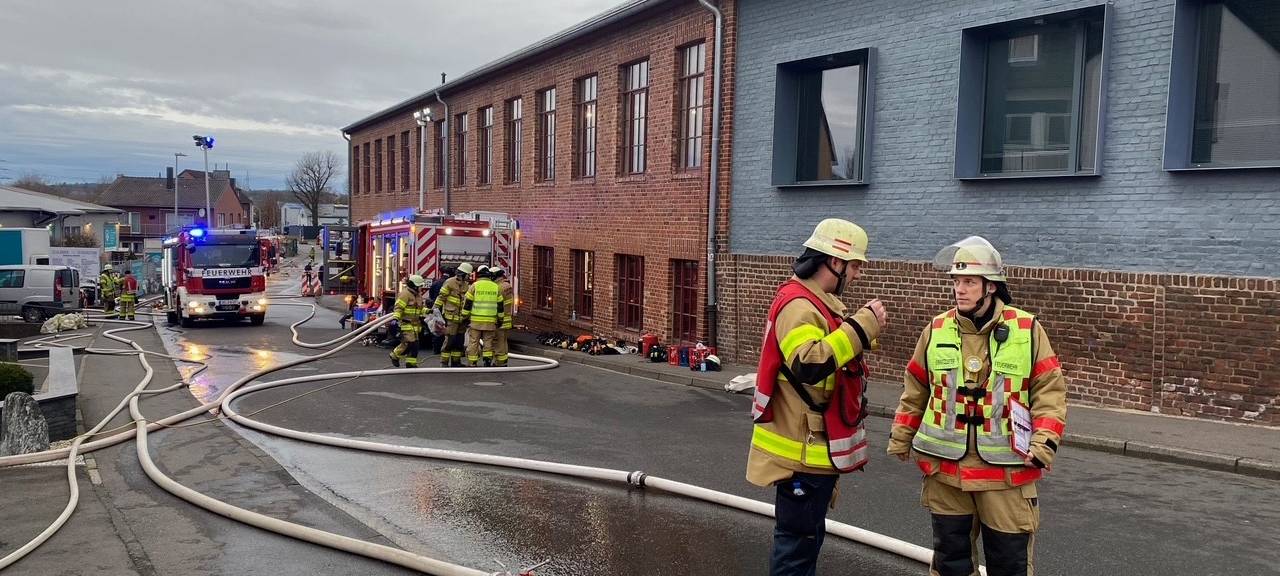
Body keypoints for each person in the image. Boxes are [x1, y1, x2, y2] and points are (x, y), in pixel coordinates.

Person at [887, 236, 1066, 576]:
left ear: (991, 287)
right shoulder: (936, 329)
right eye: (956, 281)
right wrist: (901, 435)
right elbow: (916, 387)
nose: (960, 289)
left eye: (969, 281)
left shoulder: (1026, 329)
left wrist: (1043, 443)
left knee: (1009, 565)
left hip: (1006, 477)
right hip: (946, 476)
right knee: (950, 564)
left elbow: (1050, 393)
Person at [746, 218, 887, 576]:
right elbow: (809, 364)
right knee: (796, 550)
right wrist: (862, 326)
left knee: (804, 543)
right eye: (855, 265)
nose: (857, 274)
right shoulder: (799, 305)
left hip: (811, 453)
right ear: (835, 262)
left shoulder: (816, 303)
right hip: (801, 454)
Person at [433, 262, 473, 367]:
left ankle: (456, 361)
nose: (469, 276)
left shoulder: (466, 285)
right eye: (468, 274)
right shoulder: (449, 282)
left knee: (459, 340)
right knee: (449, 339)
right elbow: (441, 297)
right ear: (463, 273)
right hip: (451, 317)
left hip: (462, 318)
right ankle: (444, 362)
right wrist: (435, 310)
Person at [462, 266, 504, 367]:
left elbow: (467, 303)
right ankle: (487, 361)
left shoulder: (474, 286)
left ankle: (472, 362)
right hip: (490, 321)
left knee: (474, 342)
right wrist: (500, 319)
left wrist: (464, 316)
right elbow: (500, 305)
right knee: (488, 342)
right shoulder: (495, 287)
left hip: (476, 321)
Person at [389, 276, 427, 368]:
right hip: (406, 323)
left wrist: (428, 311)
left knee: (415, 345)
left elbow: (420, 309)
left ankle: (411, 363)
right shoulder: (405, 294)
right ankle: (395, 354)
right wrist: (395, 319)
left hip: (415, 324)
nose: (421, 288)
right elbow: (399, 308)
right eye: (419, 286)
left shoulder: (417, 295)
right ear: (414, 286)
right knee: (409, 343)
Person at [491, 266, 514, 366]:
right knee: (504, 341)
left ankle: (499, 362)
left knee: (498, 341)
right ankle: (503, 360)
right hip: (507, 318)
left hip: (500, 319)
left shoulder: (498, 287)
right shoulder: (507, 285)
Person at [428, 269, 451, 355]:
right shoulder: (451, 284)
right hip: (448, 310)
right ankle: (445, 348)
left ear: (440, 273)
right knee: (447, 330)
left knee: (437, 328)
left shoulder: (436, 283)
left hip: (437, 309)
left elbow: (431, 296)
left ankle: (436, 349)